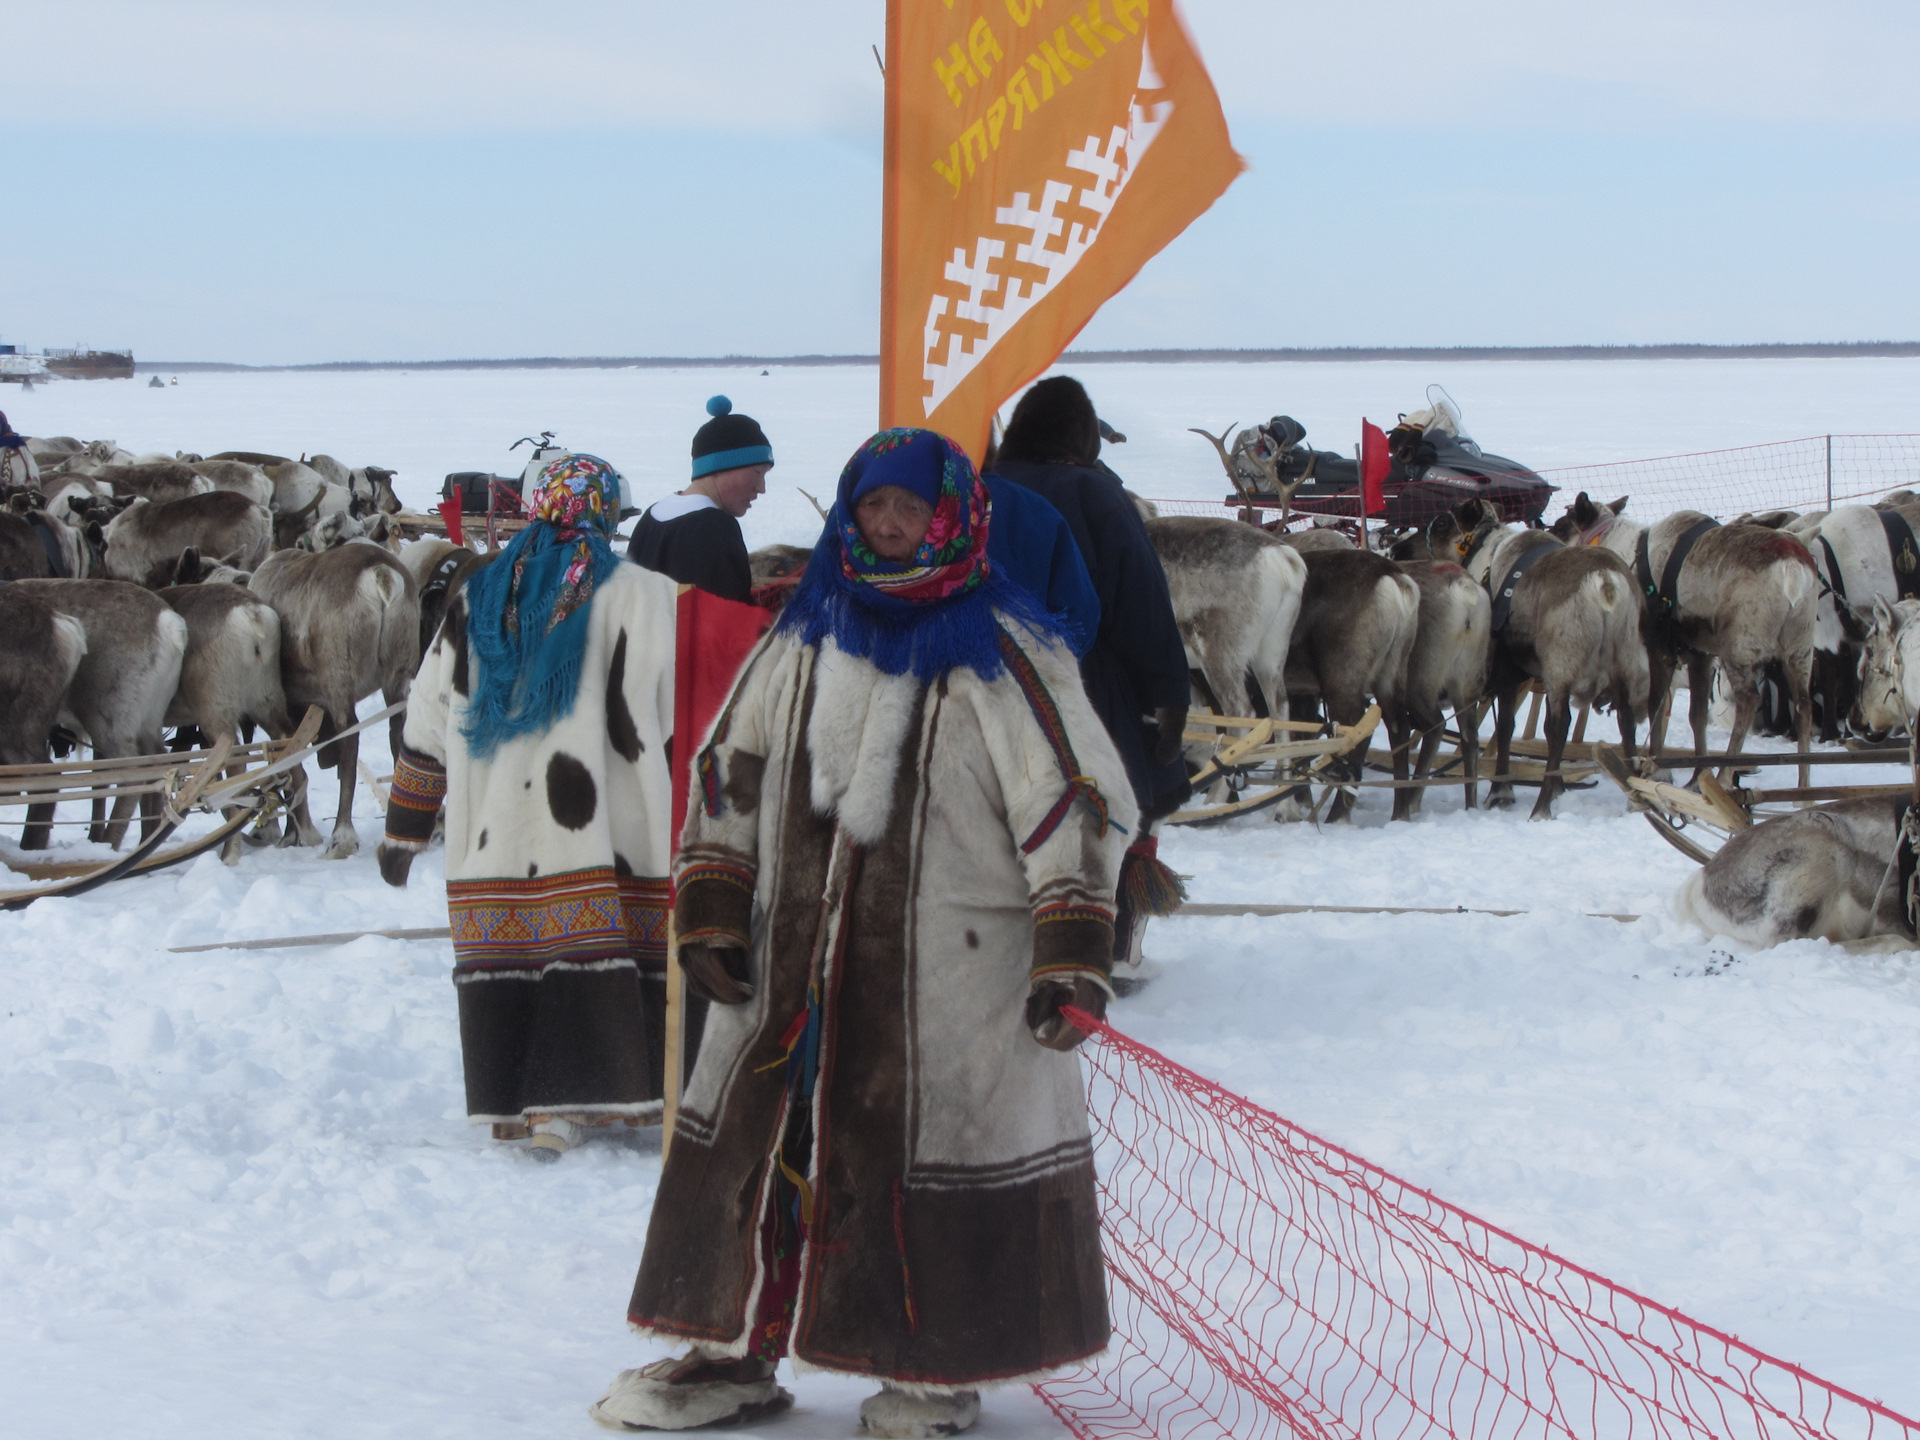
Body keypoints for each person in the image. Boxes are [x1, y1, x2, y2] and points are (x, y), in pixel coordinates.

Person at [591, 429, 1137, 1438]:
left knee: (908, 1155)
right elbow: (729, 767)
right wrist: (715, 893)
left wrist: (1072, 940)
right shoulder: (806, 631)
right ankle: (731, 1352)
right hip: (785, 958)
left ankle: (930, 1372)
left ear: (953, 517)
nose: (886, 525)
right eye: (870, 507)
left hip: (951, 976)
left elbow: (1074, 799)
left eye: (908, 509)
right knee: (766, 1143)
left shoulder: (1008, 648)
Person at [378, 453, 678, 1161]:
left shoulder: (477, 597)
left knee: (525, 956)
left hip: (497, 834)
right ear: (605, 513)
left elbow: (427, 715)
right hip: (611, 827)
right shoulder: (647, 594)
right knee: (608, 948)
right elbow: (693, 706)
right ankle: (612, 1098)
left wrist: (405, 828)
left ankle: (537, 1109)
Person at [990, 376, 1193, 993]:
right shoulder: (1094, 494)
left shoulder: (978, 489)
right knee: (1111, 803)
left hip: (983, 677)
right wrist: (1167, 691)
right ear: (1080, 438)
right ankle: (1102, 951)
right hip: (1084, 684)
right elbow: (1139, 600)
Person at [628, 395, 771, 602]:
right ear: (723, 467)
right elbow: (730, 619)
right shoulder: (714, 527)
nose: (761, 488)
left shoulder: (653, 515)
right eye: (758, 473)